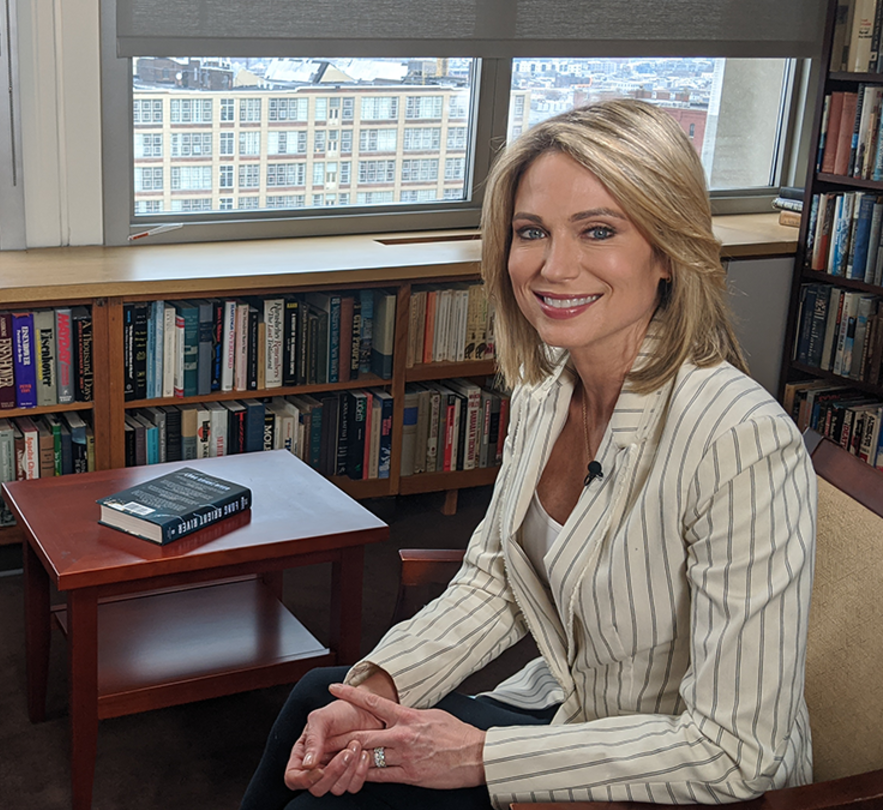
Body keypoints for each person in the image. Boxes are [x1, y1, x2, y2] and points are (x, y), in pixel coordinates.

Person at [240, 98, 816, 809]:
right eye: (531, 232)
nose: (553, 266)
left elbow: (734, 750)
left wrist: (478, 756)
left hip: (673, 767)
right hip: (570, 709)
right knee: (319, 701)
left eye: (598, 231)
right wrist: (377, 693)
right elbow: (497, 582)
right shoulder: (548, 386)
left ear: (668, 250)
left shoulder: (741, 440)